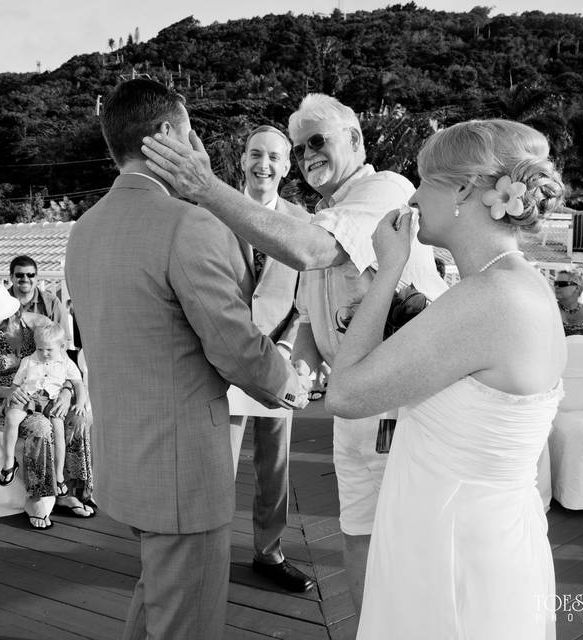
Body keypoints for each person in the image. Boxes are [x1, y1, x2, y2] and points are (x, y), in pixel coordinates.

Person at [140, 92, 447, 612]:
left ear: (355, 139)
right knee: (358, 532)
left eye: (317, 142)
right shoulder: (327, 210)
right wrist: (298, 358)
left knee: (412, 539)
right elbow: (313, 308)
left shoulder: (385, 191)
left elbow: (311, 252)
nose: (307, 156)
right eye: (300, 148)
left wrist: (203, 187)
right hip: (344, 401)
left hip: (406, 404)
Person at [66, 79, 308, 640]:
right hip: (181, 469)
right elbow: (233, 343)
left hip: (127, 457)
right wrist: (288, 384)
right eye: (190, 128)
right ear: (170, 135)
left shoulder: (85, 229)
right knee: (187, 621)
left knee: (156, 599)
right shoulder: (187, 224)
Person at [325, 119, 566, 638]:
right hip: (487, 532)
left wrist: (387, 270)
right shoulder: (520, 286)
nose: (412, 195)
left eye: (424, 179)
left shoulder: (487, 298)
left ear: (462, 188)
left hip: (453, 547)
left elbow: (344, 394)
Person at [229, 124, 315, 593]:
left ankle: (269, 551)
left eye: (274, 157)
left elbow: (308, 296)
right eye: (255, 154)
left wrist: (285, 348)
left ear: (286, 166)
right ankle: (206, 549)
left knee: (274, 465)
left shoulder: (303, 221)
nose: (264, 165)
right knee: (217, 464)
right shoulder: (215, 209)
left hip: (280, 358)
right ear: (242, 159)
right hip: (221, 359)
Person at [0, 283, 96, 529]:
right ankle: (37, 498)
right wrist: (11, 391)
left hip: (48, 392)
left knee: (77, 419)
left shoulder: (37, 324)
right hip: (0, 398)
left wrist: (67, 394)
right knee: (40, 427)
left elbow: (65, 364)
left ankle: (70, 491)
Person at [0, 322, 85, 500]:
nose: (44, 354)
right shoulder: (28, 361)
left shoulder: (65, 362)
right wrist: (7, 399)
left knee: (59, 431)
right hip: (29, 397)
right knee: (12, 417)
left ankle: (59, 475)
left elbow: (78, 383)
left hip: (52, 400)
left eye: (49, 350)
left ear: (61, 347)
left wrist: (81, 403)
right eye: (40, 349)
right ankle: (9, 462)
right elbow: (16, 385)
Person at [5, 255, 72, 344]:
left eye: (30, 275)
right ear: (11, 277)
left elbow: (64, 341)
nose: (25, 279)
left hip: (42, 356)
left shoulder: (52, 303)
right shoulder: (0, 301)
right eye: (19, 275)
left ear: (36, 277)